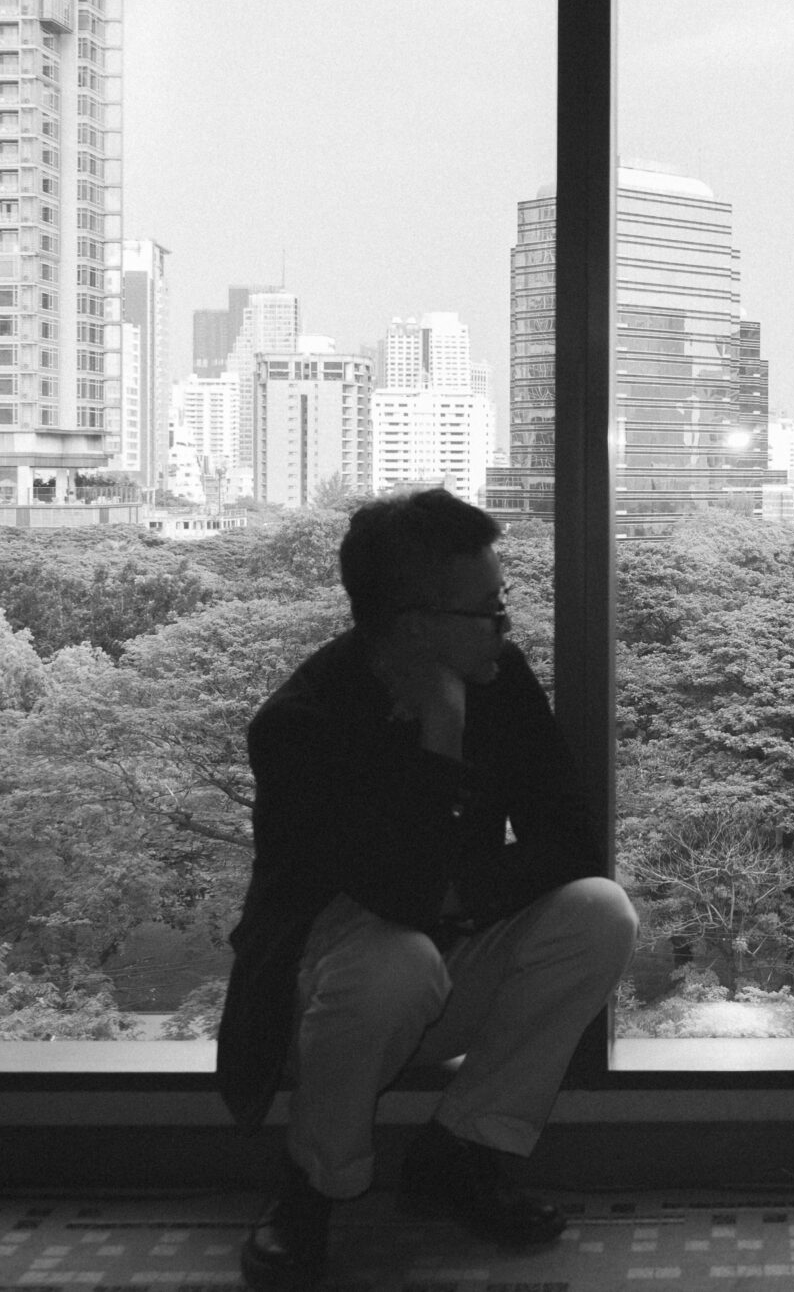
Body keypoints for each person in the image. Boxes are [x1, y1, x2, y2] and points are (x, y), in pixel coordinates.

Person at [217, 488, 637, 1292]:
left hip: (445, 955)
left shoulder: (499, 680)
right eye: (487, 610)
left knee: (598, 914)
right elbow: (401, 893)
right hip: (325, 998)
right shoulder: (302, 724)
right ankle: (313, 1184)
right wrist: (441, 738)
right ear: (414, 625)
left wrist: (458, 897)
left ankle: (459, 1152)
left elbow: (571, 841)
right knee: (394, 962)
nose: (504, 626)